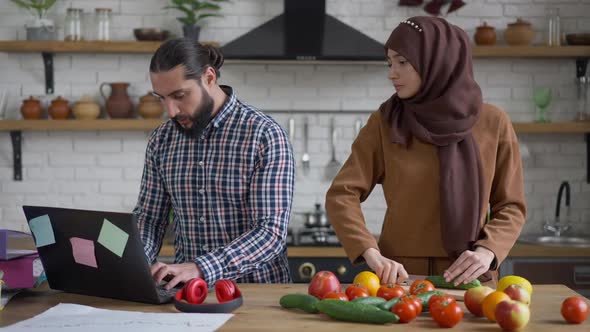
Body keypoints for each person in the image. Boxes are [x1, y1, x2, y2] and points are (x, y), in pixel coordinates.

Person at [325, 16, 526, 287]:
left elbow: (511, 205)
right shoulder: (386, 122)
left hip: (470, 277)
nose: (391, 73)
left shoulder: (494, 122)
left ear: (437, 60)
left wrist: (487, 251)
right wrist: (370, 253)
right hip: (399, 278)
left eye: (402, 62)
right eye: (389, 63)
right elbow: (342, 194)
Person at [133, 38, 295, 289]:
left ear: (209, 77)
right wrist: (132, 262)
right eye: (162, 98)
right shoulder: (162, 139)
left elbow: (269, 234)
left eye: (179, 95)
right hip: (187, 294)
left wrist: (200, 268)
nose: (171, 111)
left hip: (257, 295)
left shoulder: (264, 134)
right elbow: (150, 218)